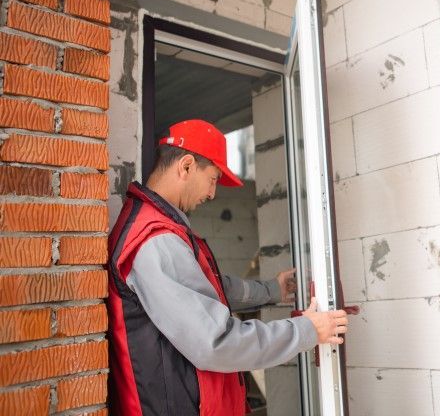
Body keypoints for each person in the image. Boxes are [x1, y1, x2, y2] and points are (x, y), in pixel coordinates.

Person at [107, 119, 348, 416]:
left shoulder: (160, 228)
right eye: (213, 179)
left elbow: (207, 286)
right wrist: (308, 330)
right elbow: (217, 342)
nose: (212, 194)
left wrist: (272, 290)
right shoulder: (156, 241)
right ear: (185, 166)